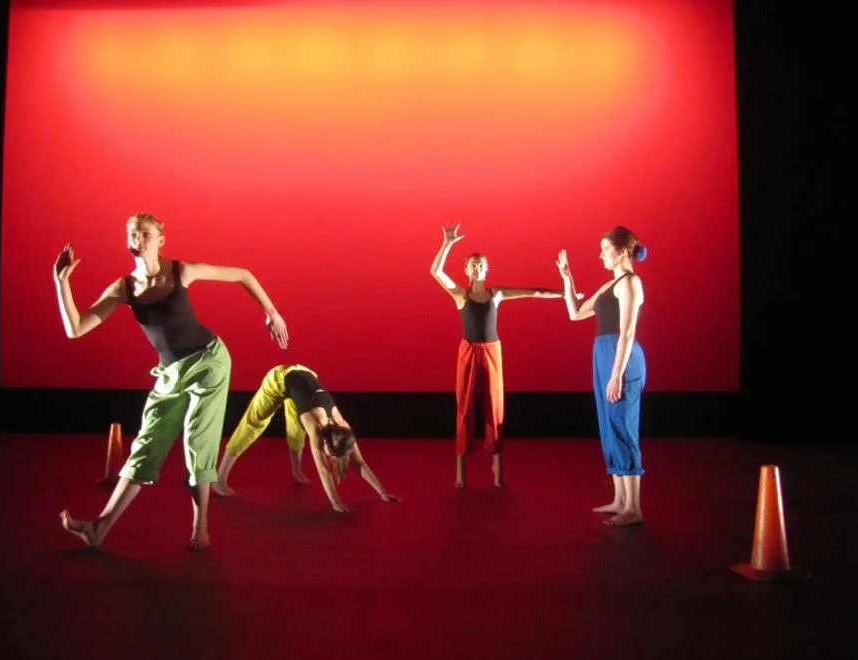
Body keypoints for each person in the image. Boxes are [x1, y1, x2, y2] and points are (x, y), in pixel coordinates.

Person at [55, 212, 289, 551]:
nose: (138, 239)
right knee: (145, 445)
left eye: (145, 233)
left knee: (197, 442)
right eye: (132, 234)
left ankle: (201, 526)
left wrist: (272, 312)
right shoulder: (124, 288)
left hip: (209, 362)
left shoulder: (181, 271)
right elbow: (75, 329)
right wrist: (61, 283)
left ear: (161, 239)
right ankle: (99, 528)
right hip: (171, 374)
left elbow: (242, 274)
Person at [430, 223, 568, 489]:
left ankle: (497, 466)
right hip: (468, 350)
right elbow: (435, 271)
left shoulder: (497, 294)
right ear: (467, 270)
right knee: (464, 407)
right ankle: (460, 472)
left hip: (493, 351)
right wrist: (447, 244)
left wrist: (564, 295)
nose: (478, 268)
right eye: (473, 264)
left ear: (487, 269)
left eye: (482, 265)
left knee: (495, 406)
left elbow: (532, 292)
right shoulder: (461, 294)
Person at [211, 364, 399, 512]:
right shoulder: (316, 426)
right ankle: (219, 480)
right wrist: (336, 503)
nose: (331, 458)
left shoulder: (343, 428)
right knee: (252, 425)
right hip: (279, 379)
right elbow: (324, 470)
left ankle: (296, 473)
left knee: (295, 430)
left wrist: (382, 491)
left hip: (304, 375)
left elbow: (359, 463)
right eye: (331, 454)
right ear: (325, 441)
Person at [555, 226, 647, 526]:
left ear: (622, 252)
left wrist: (617, 374)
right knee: (609, 426)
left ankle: (633, 508)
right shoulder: (610, 285)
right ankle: (620, 501)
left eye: (605, 250)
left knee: (622, 426)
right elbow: (575, 312)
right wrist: (568, 279)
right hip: (604, 355)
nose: (600, 255)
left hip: (621, 358)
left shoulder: (630, 283)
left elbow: (628, 331)